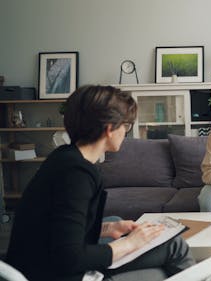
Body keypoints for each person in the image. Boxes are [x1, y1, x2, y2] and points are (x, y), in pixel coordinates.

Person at [6, 85, 195, 281]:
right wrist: (130, 244)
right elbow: (68, 257)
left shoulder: (64, 158)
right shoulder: (76, 175)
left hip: (37, 264)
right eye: (126, 125)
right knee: (172, 253)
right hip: (54, 274)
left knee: (116, 223)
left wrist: (108, 229)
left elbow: (59, 227)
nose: (126, 132)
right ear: (109, 129)